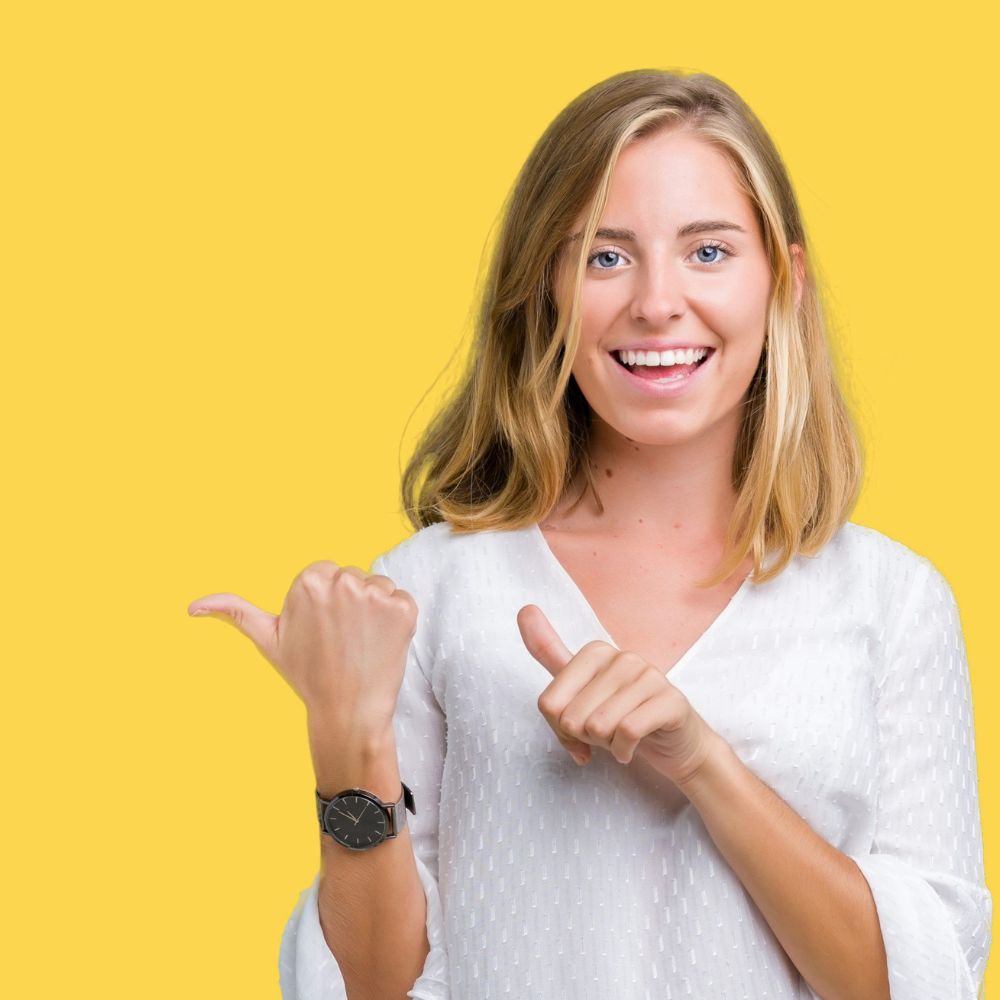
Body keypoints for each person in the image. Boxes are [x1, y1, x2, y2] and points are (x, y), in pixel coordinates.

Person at [190, 69, 992, 999]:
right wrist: (345, 744)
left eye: (708, 252)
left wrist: (699, 762)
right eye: (605, 257)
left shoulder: (893, 602)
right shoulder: (435, 592)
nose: (657, 303)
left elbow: (919, 981)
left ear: (785, 278)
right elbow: (377, 988)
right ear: (546, 288)